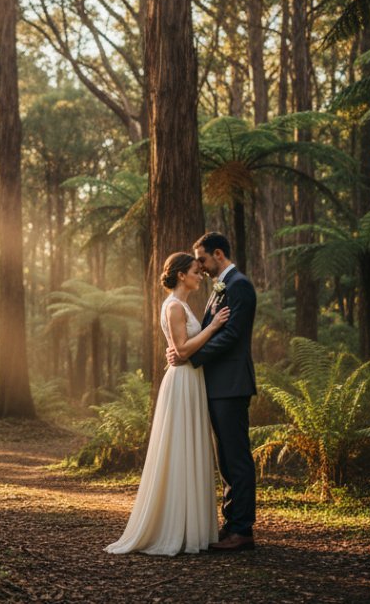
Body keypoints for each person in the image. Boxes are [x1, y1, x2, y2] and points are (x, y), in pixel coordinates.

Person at [105, 251, 229, 555]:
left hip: (190, 380)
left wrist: (184, 348)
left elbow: (179, 349)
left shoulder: (181, 305)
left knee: (189, 446)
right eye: (195, 272)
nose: (200, 276)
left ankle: (191, 526)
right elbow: (183, 350)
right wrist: (212, 328)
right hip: (183, 380)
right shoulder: (174, 306)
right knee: (179, 448)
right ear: (181, 276)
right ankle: (174, 527)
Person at [168, 231, 258, 552]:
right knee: (225, 459)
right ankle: (231, 522)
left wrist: (190, 356)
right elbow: (210, 331)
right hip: (217, 385)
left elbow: (231, 335)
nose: (201, 267)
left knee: (236, 456)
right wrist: (188, 353)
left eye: (203, 260)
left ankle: (242, 529)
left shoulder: (240, 286)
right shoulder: (221, 287)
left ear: (218, 254)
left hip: (232, 385)